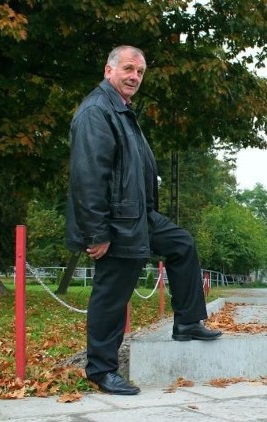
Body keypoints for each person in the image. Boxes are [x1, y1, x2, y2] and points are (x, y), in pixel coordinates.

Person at [66, 45, 222, 396]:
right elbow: (88, 177)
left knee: (181, 244)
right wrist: (96, 232)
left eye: (139, 72)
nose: (134, 76)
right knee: (112, 291)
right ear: (109, 71)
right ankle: (102, 369)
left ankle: (186, 322)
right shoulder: (96, 112)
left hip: (138, 216)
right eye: (128, 69)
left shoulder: (122, 110)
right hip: (114, 223)